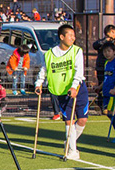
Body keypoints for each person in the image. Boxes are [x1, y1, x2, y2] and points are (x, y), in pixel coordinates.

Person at [34, 24, 88, 161]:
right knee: (69, 121)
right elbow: (44, 70)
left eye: (74, 35)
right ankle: (72, 150)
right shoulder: (50, 54)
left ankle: (70, 142)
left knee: (82, 120)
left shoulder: (77, 51)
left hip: (78, 89)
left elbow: (78, 70)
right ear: (62, 37)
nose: (73, 38)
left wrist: (75, 86)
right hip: (61, 90)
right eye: (70, 35)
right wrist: (39, 83)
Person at [92, 24, 115, 111]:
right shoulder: (103, 43)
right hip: (103, 68)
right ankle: (101, 104)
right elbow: (95, 45)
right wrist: (106, 40)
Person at [101, 43, 115, 119]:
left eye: (109, 51)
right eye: (105, 52)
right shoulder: (106, 63)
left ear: (114, 51)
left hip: (112, 94)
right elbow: (106, 77)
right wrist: (99, 87)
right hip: (106, 92)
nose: (107, 53)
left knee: (111, 113)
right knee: (107, 113)